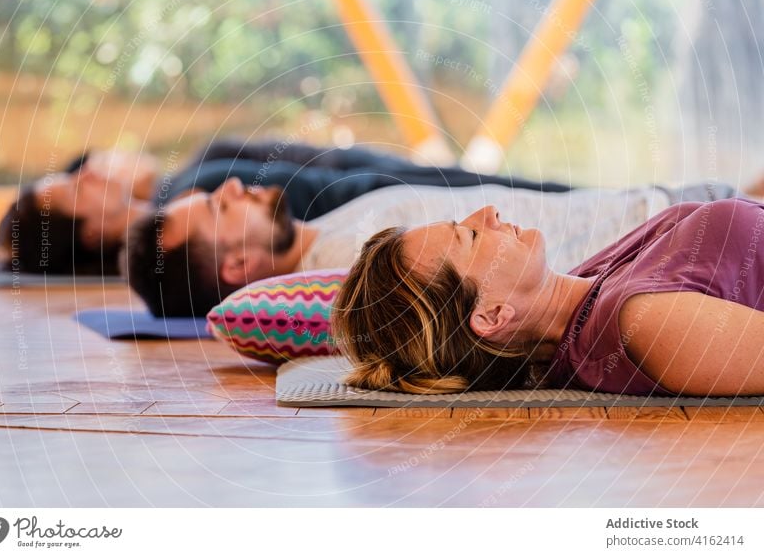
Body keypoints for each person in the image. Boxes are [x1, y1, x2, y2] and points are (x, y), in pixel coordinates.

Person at [126, 159, 749, 320]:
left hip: (670, 208)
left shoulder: (335, 233)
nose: (232, 186)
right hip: (687, 242)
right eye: (218, 207)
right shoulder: (368, 265)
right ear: (237, 265)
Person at [331, 198, 764, 398]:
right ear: (492, 315)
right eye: (471, 235)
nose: (489, 212)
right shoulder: (641, 324)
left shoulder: (585, 287)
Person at [0, 138, 573, 276]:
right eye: (77, 190)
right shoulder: (189, 193)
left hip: (380, 185)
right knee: (541, 197)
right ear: (89, 235)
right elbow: (325, 178)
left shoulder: (179, 198)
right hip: (383, 190)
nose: (88, 174)